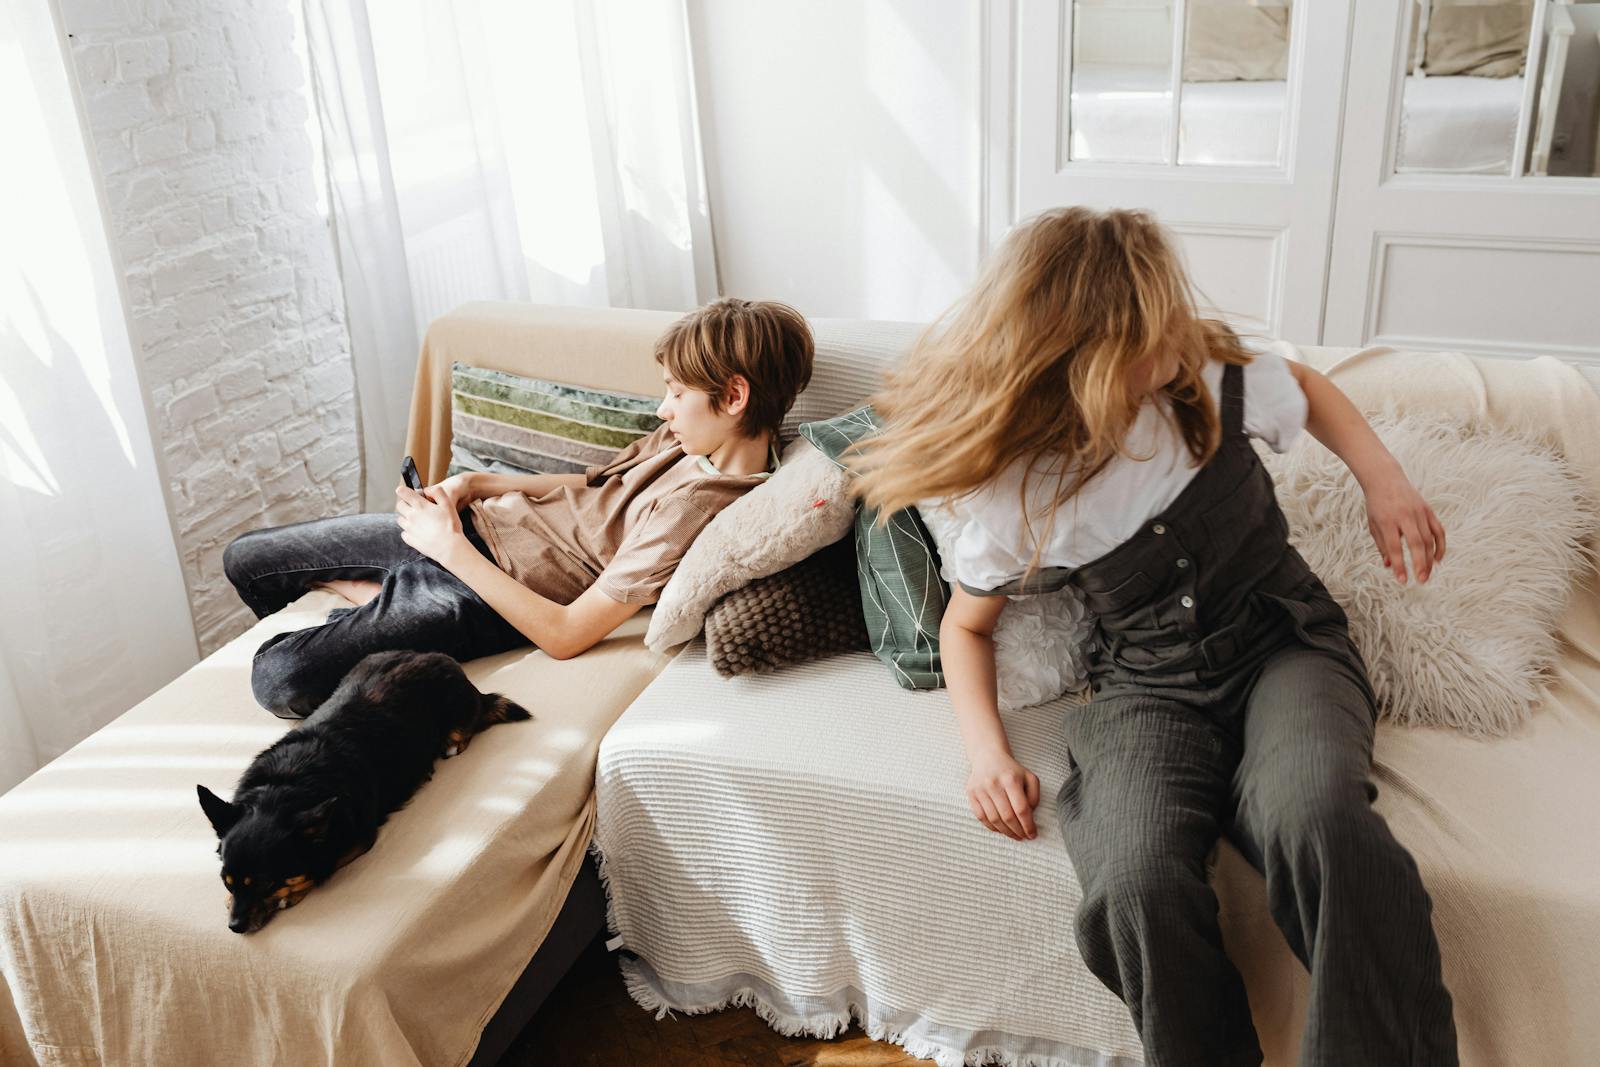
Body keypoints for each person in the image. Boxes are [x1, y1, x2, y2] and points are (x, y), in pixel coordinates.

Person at [844, 207, 1458, 1064]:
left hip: (1285, 645)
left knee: (1316, 819)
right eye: (1151, 327)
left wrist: (1383, 480)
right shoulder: (1015, 483)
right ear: (1085, 351)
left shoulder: (1205, 377)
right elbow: (967, 625)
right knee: (1131, 883)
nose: (1178, 331)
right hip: (1148, 686)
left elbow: (1310, 389)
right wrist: (986, 753)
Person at [224, 297, 813, 720]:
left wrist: (445, 547)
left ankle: (378, 611)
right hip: (474, 527)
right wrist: (475, 483)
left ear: (733, 397)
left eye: (677, 394)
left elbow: (564, 634)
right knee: (246, 558)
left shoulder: (699, 513)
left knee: (279, 679)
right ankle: (377, 602)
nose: (663, 409)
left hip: (480, 590)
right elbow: (591, 482)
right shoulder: (687, 439)